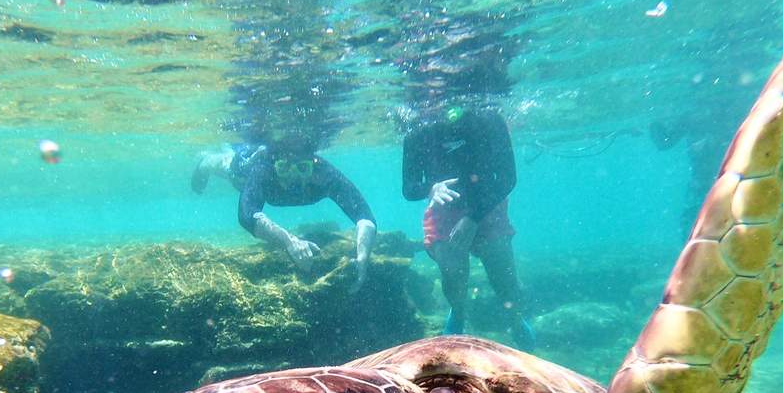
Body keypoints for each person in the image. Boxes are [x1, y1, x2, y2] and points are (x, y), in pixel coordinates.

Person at [402, 105, 535, 349]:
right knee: (453, 272)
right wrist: (430, 189)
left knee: (504, 277)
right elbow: (409, 188)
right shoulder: (417, 130)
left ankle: (515, 318)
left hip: (488, 203)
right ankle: (458, 311)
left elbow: (508, 179)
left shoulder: (488, 119)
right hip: (444, 209)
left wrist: (473, 218)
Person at [191, 141, 377, 290]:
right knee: (231, 169)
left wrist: (363, 257)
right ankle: (205, 162)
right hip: (243, 171)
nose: (293, 177)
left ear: (312, 166)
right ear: (275, 166)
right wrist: (289, 242)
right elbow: (246, 215)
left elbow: (364, 215)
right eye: (284, 168)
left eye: (302, 168)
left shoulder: (323, 173)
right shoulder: (263, 169)